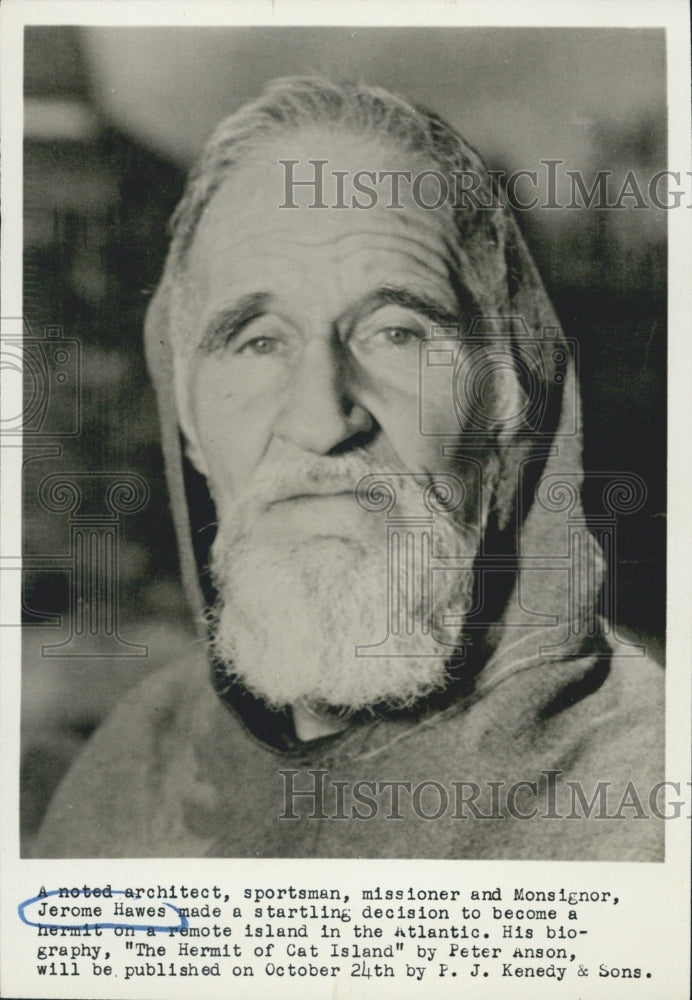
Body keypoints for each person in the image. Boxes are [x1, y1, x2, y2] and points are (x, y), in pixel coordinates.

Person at [33, 77, 664, 859]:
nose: (322, 420)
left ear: (506, 396)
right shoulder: (131, 767)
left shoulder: (648, 794)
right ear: (189, 421)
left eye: (396, 333)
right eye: (258, 341)